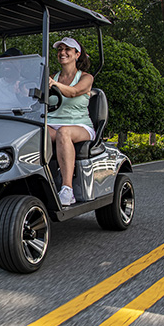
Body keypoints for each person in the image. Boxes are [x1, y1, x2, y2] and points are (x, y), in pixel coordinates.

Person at [48, 37, 95, 206]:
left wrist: (54, 85)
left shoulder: (86, 78)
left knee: (64, 132)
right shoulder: (52, 77)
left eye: (67, 49)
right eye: (60, 49)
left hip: (80, 125)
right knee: (32, 133)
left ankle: (67, 189)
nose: (62, 52)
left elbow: (74, 92)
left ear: (77, 54)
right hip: (53, 123)